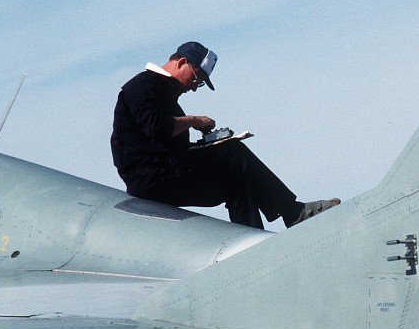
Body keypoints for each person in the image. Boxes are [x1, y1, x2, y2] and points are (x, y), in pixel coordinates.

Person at [110, 41, 339, 229]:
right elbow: (155, 128)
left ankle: (253, 242)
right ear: (181, 62)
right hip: (149, 177)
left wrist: (205, 146)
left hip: (161, 173)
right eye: (196, 78)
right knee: (233, 153)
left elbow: (164, 143)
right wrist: (194, 121)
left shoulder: (164, 94)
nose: (193, 86)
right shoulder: (143, 86)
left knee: (236, 180)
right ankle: (292, 211)